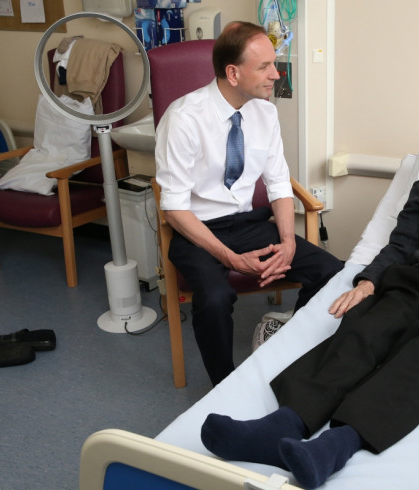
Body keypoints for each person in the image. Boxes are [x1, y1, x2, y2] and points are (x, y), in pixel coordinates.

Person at [199, 108, 419, 488]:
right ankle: (280, 427)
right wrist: (368, 282)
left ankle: (334, 447)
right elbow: (401, 244)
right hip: (416, 279)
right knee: (365, 329)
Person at [155, 21, 343, 386]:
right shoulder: (183, 119)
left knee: (331, 272)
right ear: (233, 73)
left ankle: (283, 352)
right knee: (213, 298)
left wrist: (288, 241)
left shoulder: (265, 112)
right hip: (198, 230)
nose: (276, 74)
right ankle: (224, 386)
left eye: (275, 63)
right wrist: (228, 258)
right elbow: (174, 208)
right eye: (265, 67)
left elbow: (278, 184)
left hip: (247, 223)